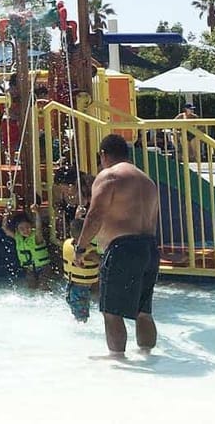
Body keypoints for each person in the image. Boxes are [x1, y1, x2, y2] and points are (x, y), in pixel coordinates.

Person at [74, 133, 160, 356]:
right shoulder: (146, 181)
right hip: (149, 248)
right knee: (143, 311)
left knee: (112, 312)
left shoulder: (109, 176)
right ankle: (148, 356)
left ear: (103, 155)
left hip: (123, 249)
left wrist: (80, 248)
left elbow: (95, 216)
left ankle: (118, 363)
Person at [1, 203, 52, 289]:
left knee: (43, 286)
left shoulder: (37, 237)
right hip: (30, 269)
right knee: (31, 286)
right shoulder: (17, 237)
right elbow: (4, 228)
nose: (25, 230)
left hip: (44, 268)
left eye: (27, 227)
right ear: (17, 230)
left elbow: (39, 227)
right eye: (22, 228)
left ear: (31, 226)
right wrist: (6, 214)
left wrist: (37, 213)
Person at [63, 216, 100, 323]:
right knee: (81, 317)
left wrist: (78, 215)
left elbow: (77, 231)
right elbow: (103, 263)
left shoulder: (68, 243)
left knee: (78, 315)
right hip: (80, 289)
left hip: (71, 286)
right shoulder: (89, 252)